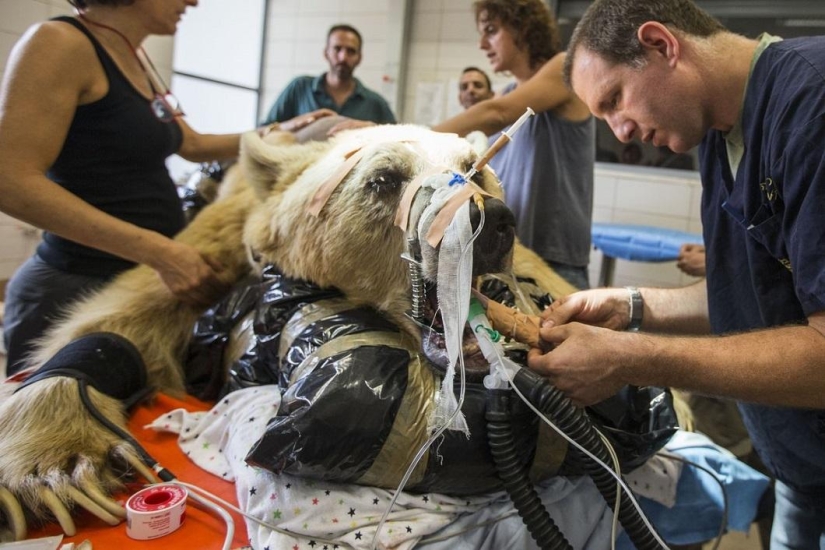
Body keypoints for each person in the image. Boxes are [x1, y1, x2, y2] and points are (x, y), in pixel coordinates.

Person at [528, 0, 825, 545]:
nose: (620, 133)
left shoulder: (813, 106)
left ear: (661, 45)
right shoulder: (716, 132)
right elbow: (749, 296)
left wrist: (631, 359)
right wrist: (633, 306)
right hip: (803, 472)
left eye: (615, 99)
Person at [0, 0, 328, 376]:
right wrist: (160, 252)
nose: (193, 1)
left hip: (139, 281)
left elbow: (191, 144)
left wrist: (284, 130)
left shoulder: (135, 57)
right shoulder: (58, 42)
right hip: (74, 288)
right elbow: (11, 183)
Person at [433, 0, 595, 290]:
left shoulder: (563, 69)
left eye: (491, 30)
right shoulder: (508, 93)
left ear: (523, 27)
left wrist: (403, 134)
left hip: (554, 260)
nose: (482, 44)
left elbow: (497, 113)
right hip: (509, 255)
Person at [260, 24, 396, 136]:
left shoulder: (376, 103)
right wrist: (288, 126)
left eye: (351, 51)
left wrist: (374, 129)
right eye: (337, 49)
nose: (343, 57)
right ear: (326, 53)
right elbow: (262, 132)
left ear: (359, 58)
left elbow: (400, 139)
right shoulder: (299, 88)